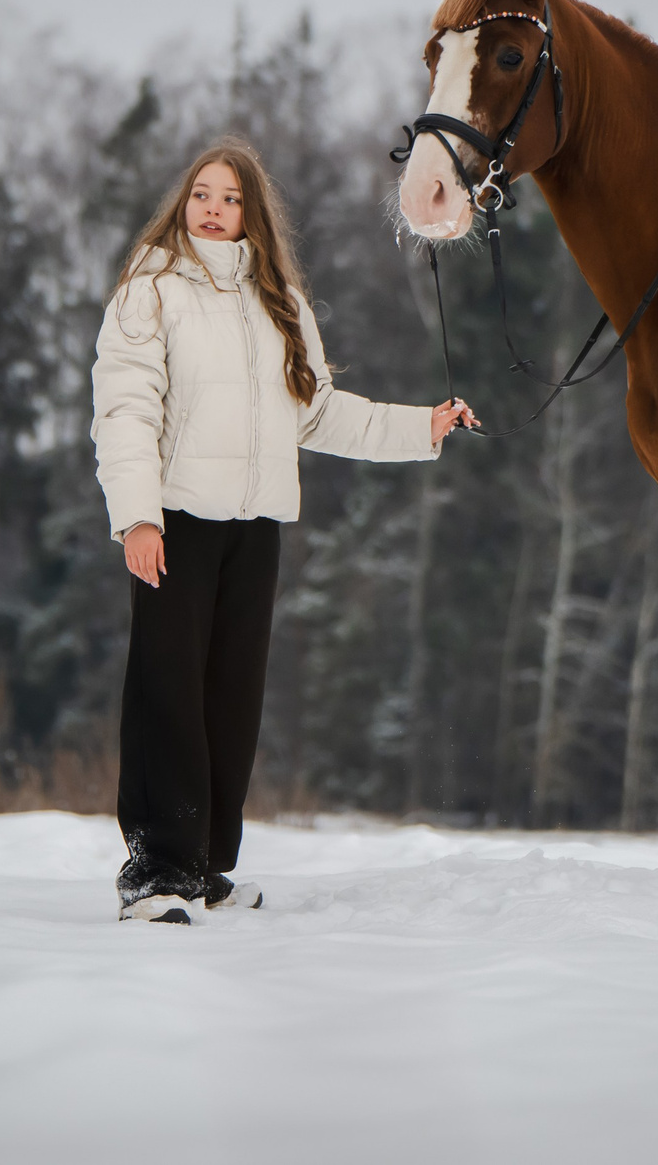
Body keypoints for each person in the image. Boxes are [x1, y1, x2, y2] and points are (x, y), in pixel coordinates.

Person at [92, 136, 474, 923]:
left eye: (230, 197)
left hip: (255, 525)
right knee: (168, 691)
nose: (213, 207)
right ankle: (155, 868)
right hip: (176, 521)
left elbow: (319, 410)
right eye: (202, 192)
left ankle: (202, 867)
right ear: (183, 201)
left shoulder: (279, 301)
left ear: (251, 212)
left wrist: (422, 427)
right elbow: (124, 407)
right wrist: (137, 514)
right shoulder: (151, 287)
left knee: (231, 698)